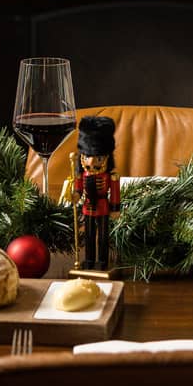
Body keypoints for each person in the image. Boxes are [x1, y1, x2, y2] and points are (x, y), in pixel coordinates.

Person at [76, 116, 120, 272]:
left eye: (98, 157)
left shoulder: (111, 177)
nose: (92, 162)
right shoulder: (82, 175)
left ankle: (102, 260)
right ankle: (88, 259)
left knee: (102, 237)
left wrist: (115, 208)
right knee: (88, 236)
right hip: (87, 208)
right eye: (87, 156)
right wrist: (75, 195)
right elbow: (78, 189)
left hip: (103, 208)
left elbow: (114, 193)